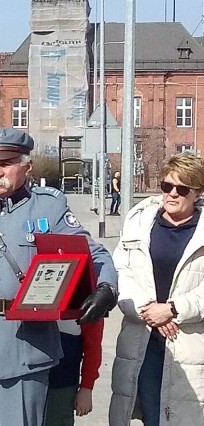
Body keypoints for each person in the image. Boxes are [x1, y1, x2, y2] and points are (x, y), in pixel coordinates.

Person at [0, 128, 118, 426]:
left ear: (27, 167)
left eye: (6, 164)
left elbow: (92, 252)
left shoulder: (49, 206)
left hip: (27, 344)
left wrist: (107, 286)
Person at [109, 154, 204, 425]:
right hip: (144, 339)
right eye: (166, 187)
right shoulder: (139, 221)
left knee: (186, 416)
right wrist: (149, 310)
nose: (172, 194)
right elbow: (121, 271)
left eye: (182, 189)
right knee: (151, 413)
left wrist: (173, 309)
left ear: (197, 193)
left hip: (190, 343)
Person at [44, 319, 104, 426]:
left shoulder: (85, 303)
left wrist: (86, 387)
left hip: (62, 387)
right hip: (25, 382)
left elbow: (93, 347)